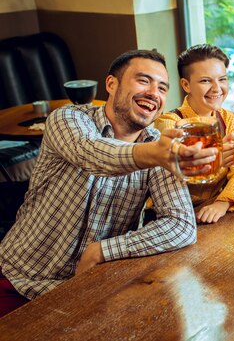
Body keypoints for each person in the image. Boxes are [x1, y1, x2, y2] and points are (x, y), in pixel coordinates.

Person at [0, 50, 217, 318]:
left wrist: (104, 250)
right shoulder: (69, 119)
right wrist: (155, 155)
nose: (154, 93)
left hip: (89, 290)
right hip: (18, 279)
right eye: (143, 81)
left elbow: (182, 226)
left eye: (162, 88)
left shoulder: (157, 144)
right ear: (112, 84)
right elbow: (91, 153)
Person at [155, 44, 234, 224]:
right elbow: (179, 170)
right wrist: (214, 158)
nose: (217, 88)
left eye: (222, 79)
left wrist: (223, 202)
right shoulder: (168, 123)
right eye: (205, 81)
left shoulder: (228, 119)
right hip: (168, 217)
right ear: (186, 85)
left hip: (211, 210)